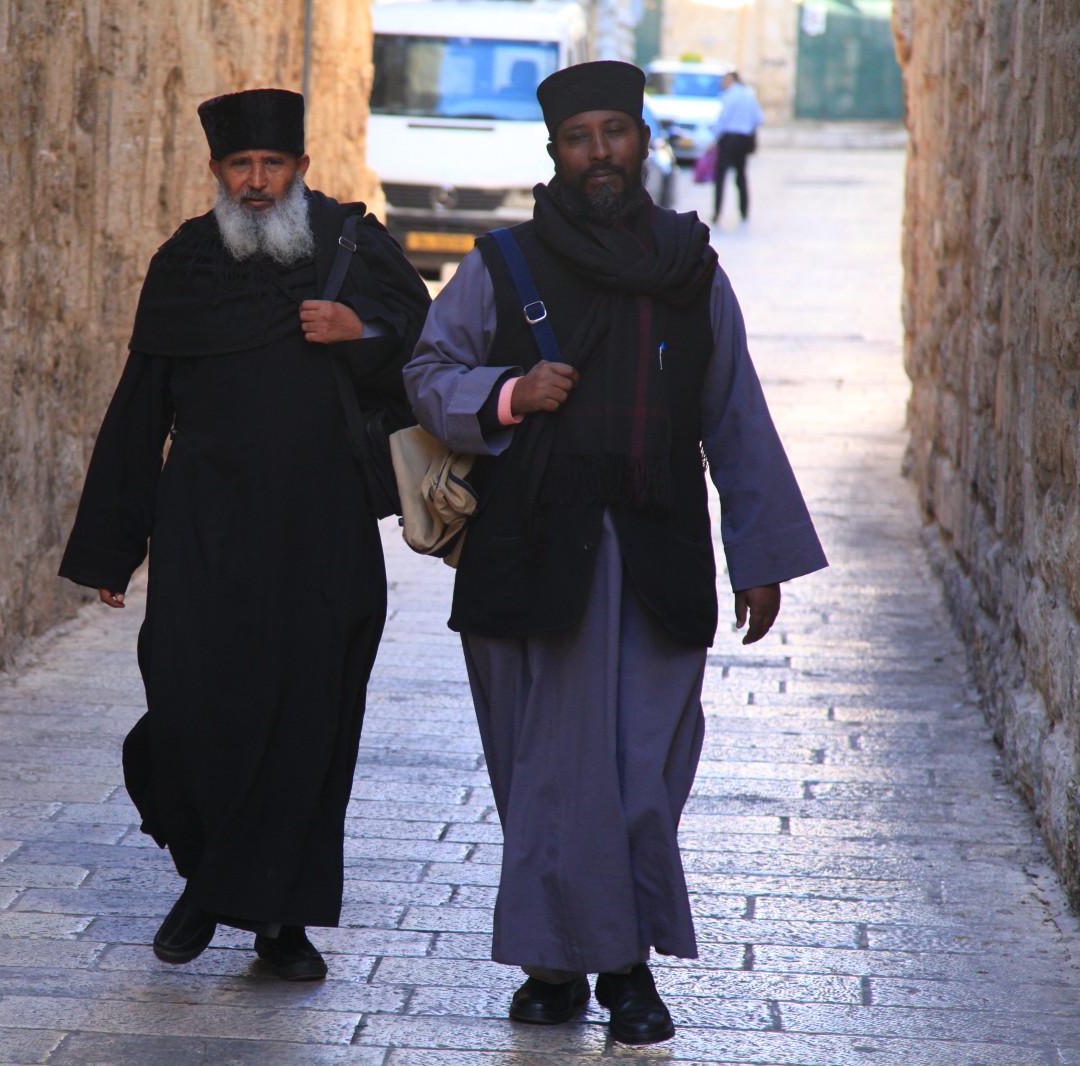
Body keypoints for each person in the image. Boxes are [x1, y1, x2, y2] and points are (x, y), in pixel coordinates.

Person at [403, 61, 825, 1044]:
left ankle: (624, 960)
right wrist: (508, 394)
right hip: (530, 553)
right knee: (544, 778)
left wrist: (756, 551)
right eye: (579, 137)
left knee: (644, 777)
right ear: (553, 152)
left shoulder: (687, 265)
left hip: (656, 554)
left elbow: (734, 413)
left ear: (642, 142)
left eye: (615, 133)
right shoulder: (500, 265)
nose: (599, 152)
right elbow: (427, 374)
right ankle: (564, 969)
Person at [59, 88, 430, 982]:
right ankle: (212, 880)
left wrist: (360, 335)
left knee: (310, 720)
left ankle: (277, 923)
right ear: (218, 172)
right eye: (240, 168)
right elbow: (141, 403)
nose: (257, 182)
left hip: (325, 529)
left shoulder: (354, 246)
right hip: (206, 531)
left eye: (272, 166)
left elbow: (430, 357)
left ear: (301, 168)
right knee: (191, 707)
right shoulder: (185, 263)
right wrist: (114, 545)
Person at [712, 71, 763, 224]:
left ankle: (717, 211)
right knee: (741, 176)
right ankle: (744, 211)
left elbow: (723, 120)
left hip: (729, 139)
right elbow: (759, 118)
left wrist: (714, 139)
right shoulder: (749, 95)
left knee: (721, 177)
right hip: (743, 139)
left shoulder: (729, 96)